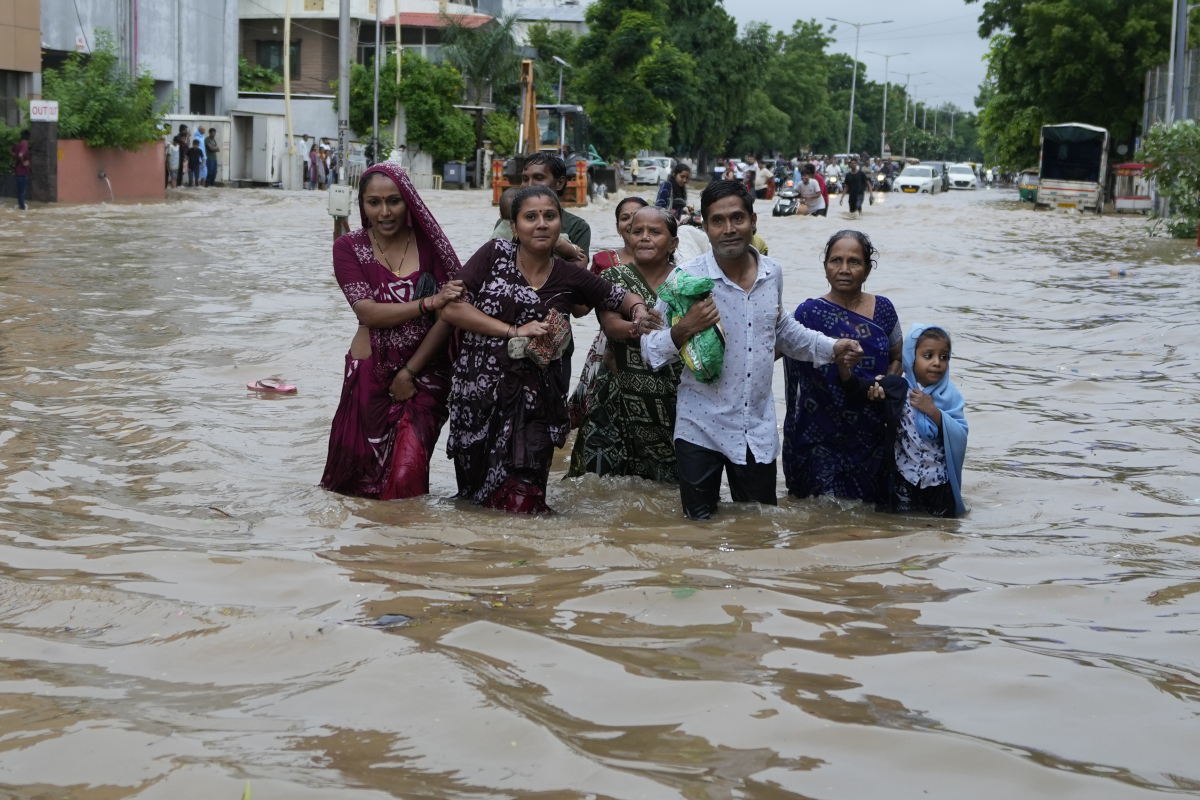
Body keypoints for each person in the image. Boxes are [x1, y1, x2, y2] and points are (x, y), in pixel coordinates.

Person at [640, 180, 864, 520]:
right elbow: (650, 349)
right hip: (699, 425)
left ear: (753, 221)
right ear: (705, 226)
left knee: (757, 529)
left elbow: (783, 331)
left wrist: (834, 347)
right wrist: (685, 328)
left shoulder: (772, 273)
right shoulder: (685, 279)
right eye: (718, 220)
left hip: (754, 428)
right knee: (697, 530)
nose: (729, 229)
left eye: (737, 218)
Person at [442, 185, 658, 514]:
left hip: (536, 406)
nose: (541, 223)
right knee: (475, 503)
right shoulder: (493, 255)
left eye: (549, 216)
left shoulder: (569, 274)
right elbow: (452, 309)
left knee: (523, 504)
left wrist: (640, 312)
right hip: (480, 400)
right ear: (514, 227)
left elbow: (619, 297)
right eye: (530, 217)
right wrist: (514, 330)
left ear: (560, 226)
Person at [320, 162, 465, 499]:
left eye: (394, 201)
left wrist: (410, 372)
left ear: (409, 202)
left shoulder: (431, 246)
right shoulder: (348, 247)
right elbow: (367, 313)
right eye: (374, 203)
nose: (384, 212)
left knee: (406, 477)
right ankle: (375, 550)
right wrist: (427, 304)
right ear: (362, 205)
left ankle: (406, 548)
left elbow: (452, 313)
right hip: (369, 377)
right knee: (358, 486)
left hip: (425, 377)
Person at [782, 230, 903, 502]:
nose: (844, 269)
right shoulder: (807, 314)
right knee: (824, 513)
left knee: (869, 514)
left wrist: (885, 383)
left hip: (871, 433)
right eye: (836, 261)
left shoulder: (884, 310)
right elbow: (775, 350)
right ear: (825, 267)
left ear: (868, 269)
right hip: (819, 436)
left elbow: (898, 357)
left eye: (854, 262)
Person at [570, 206, 684, 481]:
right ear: (627, 237)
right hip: (617, 393)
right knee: (596, 485)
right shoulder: (613, 278)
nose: (644, 237)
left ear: (673, 243)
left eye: (654, 232)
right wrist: (637, 327)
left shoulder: (686, 280)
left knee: (668, 488)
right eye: (637, 231)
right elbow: (610, 325)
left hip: (671, 398)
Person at [842, 324, 968, 517]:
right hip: (905, 479)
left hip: (939, 483)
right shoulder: (897, 388)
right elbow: (858, 388)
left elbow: (960, 434)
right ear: (911, 358)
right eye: (928, 356)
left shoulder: (950, 396)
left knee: (944, 531)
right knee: (903, 529)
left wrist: (934, 411)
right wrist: (844, 367)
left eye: (944, 357)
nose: (937, 363)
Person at [520, 152, 589, 267]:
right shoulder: (508, 222)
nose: (530, 185)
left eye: (538, 178)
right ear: (514, 226)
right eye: (525, 179)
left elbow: (578, 275)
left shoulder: (578, 227)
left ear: (560, 183)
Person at [11, 129, 31, 210]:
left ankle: (20, 207)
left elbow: (11, 150)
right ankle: (22, 208)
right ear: (28, 138)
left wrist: (16, 158)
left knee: (20, 192)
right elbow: (20, 155)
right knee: (22, 192)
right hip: (22, 172)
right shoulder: (24, 145)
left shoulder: (18, 145)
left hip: (18, 171)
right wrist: (23, 163)